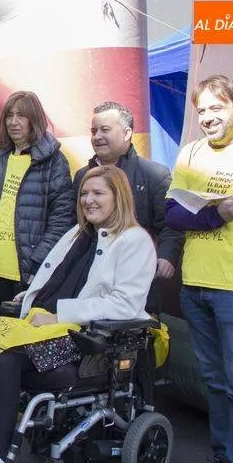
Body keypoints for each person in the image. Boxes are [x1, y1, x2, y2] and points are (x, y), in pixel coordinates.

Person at [0, 165, 156, 463]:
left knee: (4, 351)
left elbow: (125, 304)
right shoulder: (77, 234)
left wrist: (59, 314)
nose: (88, 200)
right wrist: (30, 298)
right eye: (84, 194)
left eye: (98, 193)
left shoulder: (135, 241)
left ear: (118, 197)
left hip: (85, 339)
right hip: (42, 326)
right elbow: (52, 281)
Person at [165, 75, 233, 463]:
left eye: (217, 107)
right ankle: (224, 462)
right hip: (196, 283)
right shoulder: (191, 153)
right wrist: (217, 213)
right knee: (217, 383)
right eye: (201, 110)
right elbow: (173, 215)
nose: (208, 117)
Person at [0, 90, 75, 318]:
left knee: (23, 343)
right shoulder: (0, 157)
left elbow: (62, 219)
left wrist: (38, 264)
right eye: (9, 116)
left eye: (21, 116)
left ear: (34, 119)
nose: (13, 122)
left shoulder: (54, 161)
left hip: (29, 271)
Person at [73, 101, 183, 313]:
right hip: (88, 276)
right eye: (94, 130)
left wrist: (167, 256)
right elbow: (74, 225)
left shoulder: (154, 175)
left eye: (105, 130)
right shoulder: (81, 176)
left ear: (127, 133)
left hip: (136, 274)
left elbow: (170, 224)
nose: (97, 136)